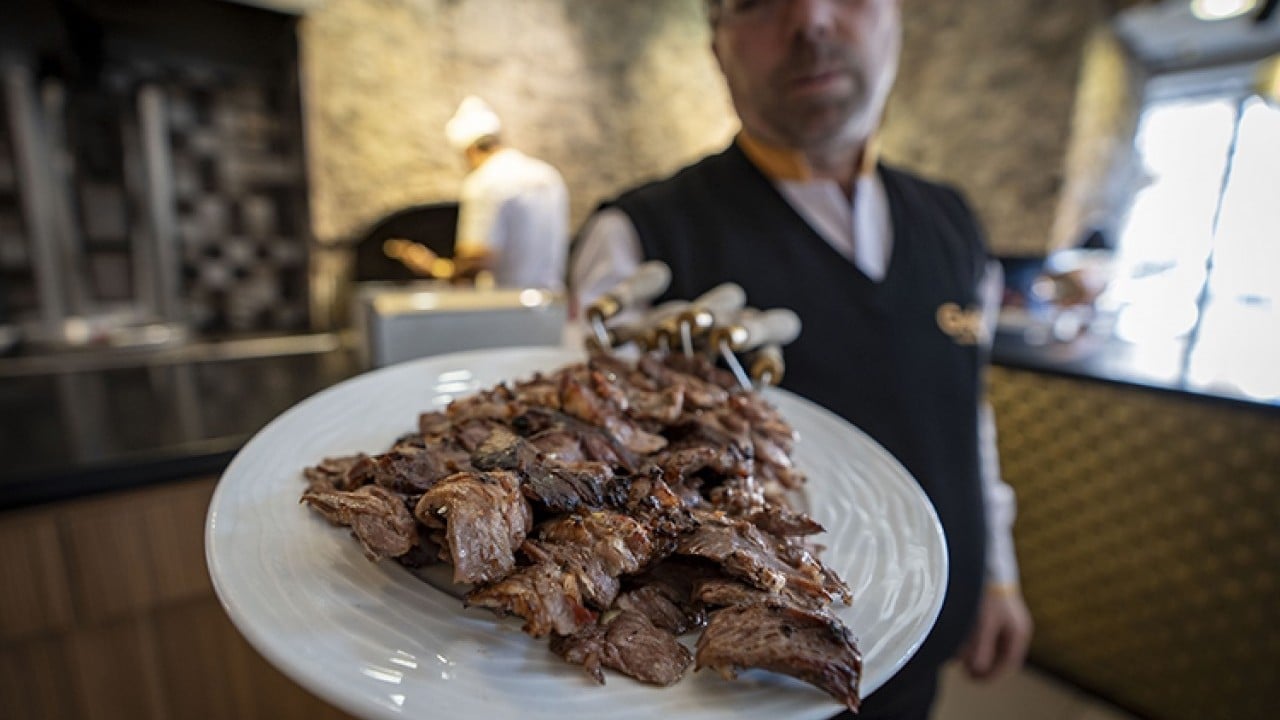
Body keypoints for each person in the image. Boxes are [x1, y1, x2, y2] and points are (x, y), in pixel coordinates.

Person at [569, 1, 1032, 718]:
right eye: (758, 1)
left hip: (924, 641)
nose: (811, 19)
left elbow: (967, 412)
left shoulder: (955, 222)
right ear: (717, 46)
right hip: (735, 688)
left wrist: (998, 576)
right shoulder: (638, 233)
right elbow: (579, 477)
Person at [445, 96, 570, 290]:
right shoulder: (549, 175)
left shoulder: (483, 182)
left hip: (506, 308)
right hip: (551, 303)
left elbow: (476, 259)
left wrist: (443, 270)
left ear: (469, 151)